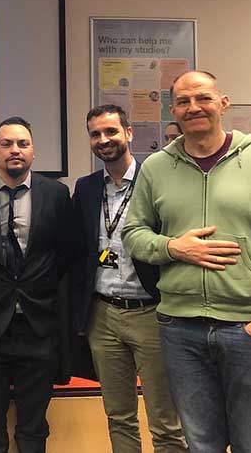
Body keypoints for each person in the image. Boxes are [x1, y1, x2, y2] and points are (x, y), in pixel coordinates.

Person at [122, 70, 251, 453]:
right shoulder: (155, 167)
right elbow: (133, 234)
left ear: (223, 102)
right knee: (201, 443)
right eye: (184, 101)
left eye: (202, 98)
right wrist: (174, 248)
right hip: (180, 329)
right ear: (174, 110)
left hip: (250, 328)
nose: (193, 108)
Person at [0, 116, 75, 453]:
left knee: (33, 429)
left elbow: (64, 254)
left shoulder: (56, 194)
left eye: (22, 143)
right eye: (6, 144)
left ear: (34, 151)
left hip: (37, 326)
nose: (15, 150)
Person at [72, 105, 186, 453]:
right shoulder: (87, 187)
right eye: (96, 134)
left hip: (151, 313)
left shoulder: (156, 180)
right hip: (103, 316)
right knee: (118, 415)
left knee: (165, 420)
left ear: (129, 133)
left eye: (111, 132)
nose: (104, 140)